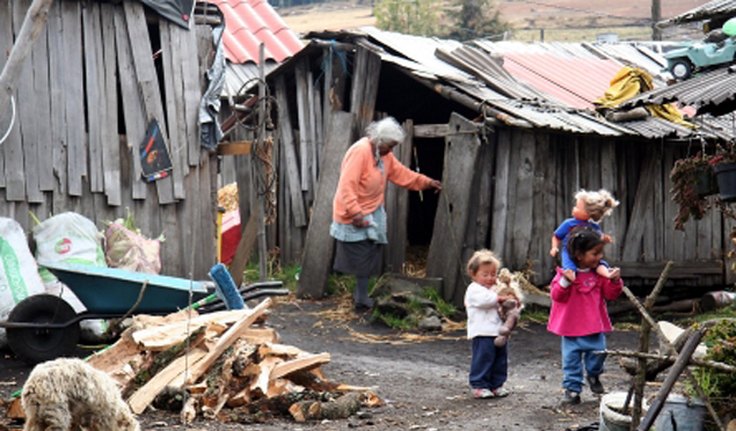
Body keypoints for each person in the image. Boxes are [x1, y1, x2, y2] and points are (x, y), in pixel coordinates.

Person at [330, 117, 441, 310]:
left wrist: (427, 182)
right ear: (380, 141)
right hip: (354, 211)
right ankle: (360, 296)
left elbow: (402, 174)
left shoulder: (384, 155)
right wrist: (355, 212)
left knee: (371, 251)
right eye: (390, 145)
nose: (392, 150)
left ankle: (361, 294)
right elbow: (347, 186)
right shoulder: (360, 151)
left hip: (373, 209)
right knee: (360, 253)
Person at [547, 226, 623, 405]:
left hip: (594, 327)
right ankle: (572, 390)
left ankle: (594, 374)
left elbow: (611, 294)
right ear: (580, 255)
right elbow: (557, 296)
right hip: (571, 328)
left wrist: (614, 280)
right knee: (571, 361)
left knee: (598, 355)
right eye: (595, 253)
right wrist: (566, 281)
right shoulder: (565, 274)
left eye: (600, 253)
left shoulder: (598, 275)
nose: (600, 257)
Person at [464, 249, 510, 399]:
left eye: (493, 274)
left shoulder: (494, 290)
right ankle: (479, 384)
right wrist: (499, 298)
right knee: (484, 358)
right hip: (482, 332)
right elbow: (485, 301)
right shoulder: (474, 290)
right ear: (473, 274)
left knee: (500, 359)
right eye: (485, 274)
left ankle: (497, 384)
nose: (490, 278)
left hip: (498, 332)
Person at [550, 189, 619, 282]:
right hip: (570, 252)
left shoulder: (594, 226)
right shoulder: (569, 224)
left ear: (589, 213)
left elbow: (597, 241)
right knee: (569, 265)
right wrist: (554, 247)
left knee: (601, 264)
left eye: (577, 207)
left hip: (587, 255)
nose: (574, 209)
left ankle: (608, 274)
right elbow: (556, 236)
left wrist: (603, 240)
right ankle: (571, 279)